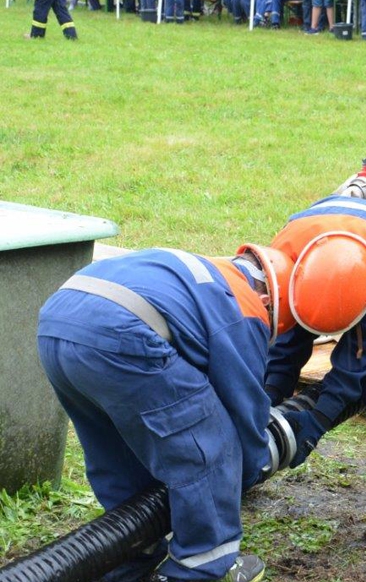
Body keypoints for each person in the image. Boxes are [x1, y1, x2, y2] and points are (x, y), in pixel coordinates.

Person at [37, 244, 298, 581]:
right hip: (120, 332)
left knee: (118, 456)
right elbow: (243, 410)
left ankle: (128, 555)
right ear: (269, 303)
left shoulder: (202, 274)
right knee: (209, 449)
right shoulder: (246, 308)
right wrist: (248, 469)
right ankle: (202, 567)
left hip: (57, 323)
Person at [262, 195, 366, 555]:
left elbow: (357, 360)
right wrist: (257, 410)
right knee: (271, 363)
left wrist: (318, 422)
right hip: (311, 261)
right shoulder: (285, 261)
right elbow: (282, 349)